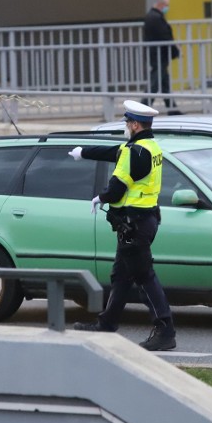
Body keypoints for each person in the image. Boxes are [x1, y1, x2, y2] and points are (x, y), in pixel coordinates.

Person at [68, 99, 176, 351]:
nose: (125, 126)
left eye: (128, 122)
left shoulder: (133, 152)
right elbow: (112, 152)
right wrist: (83, 151)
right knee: (121, 276)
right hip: (145, 219)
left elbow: (117, 188)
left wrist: (101, 197)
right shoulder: (149, 147)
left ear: (136, 124)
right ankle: (107, 323)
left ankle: (165, 330)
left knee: (144, 276)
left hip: (133, 223)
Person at [142, 0, 183, 115]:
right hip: (158, 55)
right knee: (155, 83)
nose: (167, 8)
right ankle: (142, 109)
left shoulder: (153, 16)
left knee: (164, 82)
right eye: (166, 5)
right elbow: (165, 36)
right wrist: (176, 51)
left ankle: (172, 108)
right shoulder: (155, 18)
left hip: (157, 54)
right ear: (160, 4)